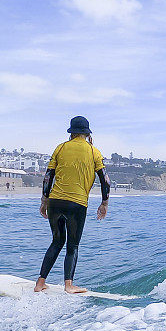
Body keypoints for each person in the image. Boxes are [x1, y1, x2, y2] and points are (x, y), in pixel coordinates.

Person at [34, 116, 110, 293]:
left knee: (56, 242)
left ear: (71, 132)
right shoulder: (94, 152)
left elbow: (48, 176)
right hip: (77, 204)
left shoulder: (60, 148)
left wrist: (44, 200)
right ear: (87, 133)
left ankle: (39, 283)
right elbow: (105, 180)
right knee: (72, 245)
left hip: (55, 202)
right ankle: (69, 285)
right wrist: (104, 203)